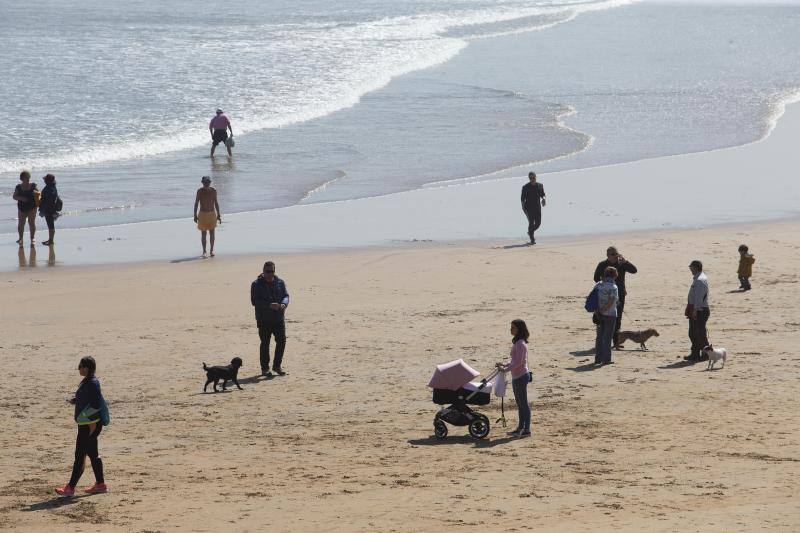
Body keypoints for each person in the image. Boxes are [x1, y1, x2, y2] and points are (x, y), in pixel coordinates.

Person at [56, 356, 108, 497]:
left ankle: (70, 488)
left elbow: (96, 404)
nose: (79, 368)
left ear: (87, 368)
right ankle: (100, 484)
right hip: (87, 425)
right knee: (92, 454)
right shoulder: (87, 382)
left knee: (80, 456)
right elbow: (88, 399)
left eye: (81, 366)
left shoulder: (93, 383)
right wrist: (76, 400)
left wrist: (92, 424)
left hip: (89, 426)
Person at [593, 246, 637, 349]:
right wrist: (606, 285)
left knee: (617, 317)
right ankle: (604, 340)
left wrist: (626, 262)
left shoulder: (621, 264)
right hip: (604, 295)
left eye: (616, 254)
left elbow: (634, 270)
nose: (615, 256)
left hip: (619, 294)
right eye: (613, 254)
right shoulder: (602, 264)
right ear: (607, 256)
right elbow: (596, 278)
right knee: (604, 317)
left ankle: (616, 342)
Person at [251, 261, 290, 377]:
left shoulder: (280, 282)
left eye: (272, 271)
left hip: (278, 318)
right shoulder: (256, 284)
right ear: (263, 271)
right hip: (263, 320)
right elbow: (254, 301)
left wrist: (283, 304)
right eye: (268, 271)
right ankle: (265, 368)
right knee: (265, 343)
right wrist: (269, 305)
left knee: (282, 341)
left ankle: (277, 366)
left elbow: (286, 296)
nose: (270, 274)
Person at [496, 319, 532, 437]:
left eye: (513, 328)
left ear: (519, 329)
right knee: (520, 404)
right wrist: (504, 365)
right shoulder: (518, 343)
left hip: (521, 376)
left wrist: (505, 369)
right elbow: (514, 361)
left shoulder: (521, 344)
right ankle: (521, 428)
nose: (511, 330)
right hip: (518, 376)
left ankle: (526, 430)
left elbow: (519, 362)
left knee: (523, 405)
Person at [684, 260, 710, 362]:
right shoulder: (699, 278)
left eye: (691, 267)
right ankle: (695, 354)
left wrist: (695, 310)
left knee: (699, 333)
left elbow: (699, 297)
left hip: (700, 310)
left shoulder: (700, 280)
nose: (690, 269)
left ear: (696, 267)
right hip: (697, 309)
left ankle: (705, 354)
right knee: (694, 333)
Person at [594, 267, 619, 365]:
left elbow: (594, 297)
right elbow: (612, 299)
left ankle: (598, 358)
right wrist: (605, 308)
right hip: (610, 314)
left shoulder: (598, 284)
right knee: (607, 338)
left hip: (598, 313)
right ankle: (606, 359)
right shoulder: (613, 286)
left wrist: (598, 310)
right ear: (615, 275)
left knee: (599, 337)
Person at [193, 176, 221, 257]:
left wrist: (219, 214)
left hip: (212, 213)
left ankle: (211, 251)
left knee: (212, 233)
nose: (206, 184)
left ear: (210, 182)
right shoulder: (200, 191)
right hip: (202, 214)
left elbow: (216, 203)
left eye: (208, 182)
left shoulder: (213, 190)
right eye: (205, 182)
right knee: (203, 233)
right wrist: (194, 215)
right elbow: (196, 203)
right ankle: (204, 251)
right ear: (202, 183)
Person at [12, 170, 38, 246]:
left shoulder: (33, 185)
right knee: (21, 224)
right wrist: (21, 198)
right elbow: (14, 196)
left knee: (31, 223)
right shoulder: (18, 187)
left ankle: (32, 238)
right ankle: (20, 238)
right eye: (26, 177)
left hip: (32, 207)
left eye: (28, 177)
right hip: (22, 207)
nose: (28, 179)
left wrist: (35, 193)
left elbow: (39, 194)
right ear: (22, 178)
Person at [520, 171, 546, 244]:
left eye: (534, 177)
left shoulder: (540, 186)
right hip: (528, 208)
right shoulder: (525, 187)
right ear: (529, 178)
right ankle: (532, 239)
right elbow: (522, 198)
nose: (532, 179)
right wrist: (523, 207)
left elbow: (543, 194)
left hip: (537, 207)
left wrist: (544, 199)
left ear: (536, 177)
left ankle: (530, 232)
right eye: (531, 178)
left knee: (538, 224)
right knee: (531, 222)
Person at [38, 173, 61, 246]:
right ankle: (50, 240)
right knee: (50, 225)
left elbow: (48, 200)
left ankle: (51, 240)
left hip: (49, 209)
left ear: (47, 180)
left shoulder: (49, 188)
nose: (44, 180)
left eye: (45, 179)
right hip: (51, 209)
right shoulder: (52, 187)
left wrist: (45, 209)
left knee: (50, 225)